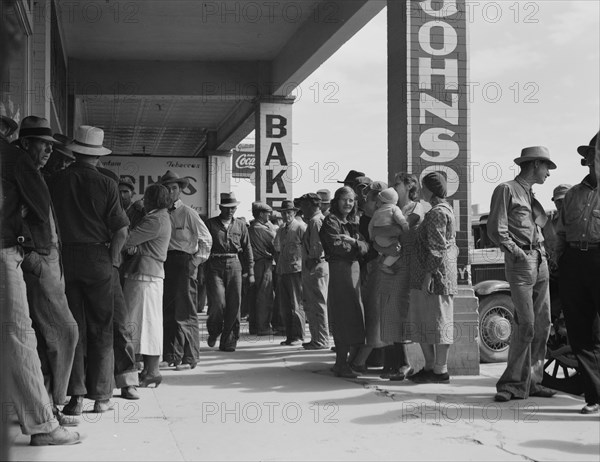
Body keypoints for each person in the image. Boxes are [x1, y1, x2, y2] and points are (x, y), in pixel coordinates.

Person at [0, 113, 82, 445]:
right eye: (44, 146)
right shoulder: (15, 160)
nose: (48, 153)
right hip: (11, 253)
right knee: (20, 336)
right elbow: (39, 208)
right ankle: (43, 424)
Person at [48, 125, 129, 415]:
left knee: (73, 328)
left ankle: (75, 397)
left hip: (65, 257)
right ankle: (102, 396)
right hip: (99, 258)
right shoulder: (107, 184)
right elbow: (121, 230)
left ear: (76, 151)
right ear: (97, 154)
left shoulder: (56, 180)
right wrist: (113, 259)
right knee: (102, 328)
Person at [487, 146, 557, 402]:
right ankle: (512, 384)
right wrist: (517, 252)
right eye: (546, 166)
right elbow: (496, 229)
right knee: (525, 324)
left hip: (540, 261)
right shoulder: (506, 189)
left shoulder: (530, 194)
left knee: (542, 325)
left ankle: (533, 381)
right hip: (522, 262)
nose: (549, 173)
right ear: (534, 164)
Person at [556, 132, 600, 414]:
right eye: (595, 156)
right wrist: (563, 262)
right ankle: (595, 398)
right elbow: (560, 233)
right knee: (581, 333)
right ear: (588, 160)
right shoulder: (572, 194)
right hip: (574, 261)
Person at [407, 171, 458, 384]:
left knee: (438, 321)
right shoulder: (444, 210)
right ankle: (432, 367)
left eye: (423, 187)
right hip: (436, 274)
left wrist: (428, 275)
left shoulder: (437, 212)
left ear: (429, 189)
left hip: (434, 276)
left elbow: (437, 247)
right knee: (429, 321)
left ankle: (439, 369)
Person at [160, 170, 212, 369]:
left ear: (180, 190)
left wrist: (195, 262)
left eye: (174, 188)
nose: (170, 192)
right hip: (165, 263)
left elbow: (206, 239)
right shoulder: (161, 213)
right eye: (166, 188)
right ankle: (172, 354)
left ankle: (190, 358)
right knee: (168, 310)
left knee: (186, 311)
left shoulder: (188, 213)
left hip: (184, 262)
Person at [122, 184, 172, 389]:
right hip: (148, 274)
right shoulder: (160, 217)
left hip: (144, 276)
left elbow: (127, 239)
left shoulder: (154, 219)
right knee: (147, 323)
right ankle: (149, 371)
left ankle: (150, 371)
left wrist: (133, 245)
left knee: (139, 323)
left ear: (151, 199)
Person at [319, 186, 369, 378]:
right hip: (340, 270)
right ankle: (341, 363)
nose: (348, 203)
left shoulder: (352, 221)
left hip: (353, 270)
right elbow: (338, 247)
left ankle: (347, 361)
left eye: (351, 200)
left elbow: (365, 246)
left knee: (355, 315)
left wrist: (354, 243)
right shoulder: (331, 221)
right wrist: (356, 246)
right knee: (344, 314)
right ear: (336, 201)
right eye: (344, 199)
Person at [380, 173, 423, 381]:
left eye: (397, 184)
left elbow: (400, 231)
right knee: (389, 312)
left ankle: (405, 362)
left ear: (409, 186)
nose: (393, 187)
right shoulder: (395, 209)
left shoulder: (416, 207)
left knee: (400, 311)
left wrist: (382, 232)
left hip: (405, 263)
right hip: (392, 260)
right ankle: (394, 362)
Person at [205, 192, 254, 352]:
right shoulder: (210, 224)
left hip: (235, 264)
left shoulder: (240, 225)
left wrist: (250, 271)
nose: (230, 211)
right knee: (218, 303)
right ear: (220, 207)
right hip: (214, 265)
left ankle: (229, 341)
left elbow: (247, 249)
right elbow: (203, 246)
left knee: (234, 305)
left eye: (233, 208)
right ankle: (214, 330)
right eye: (226, 208)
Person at [298, 193, 330, 350]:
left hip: (316, 266)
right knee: (314, 304)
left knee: (317, 304)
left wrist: (311, 263)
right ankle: (318, 338)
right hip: (316, 266)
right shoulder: (315, 220)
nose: (302, 209)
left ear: (311, 205)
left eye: (303, 205)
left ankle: (321, 339)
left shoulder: (315, 221)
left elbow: (317, 247)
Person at [274, 200, 307, 345]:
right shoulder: (281, 230)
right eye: (284, 213)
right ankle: (289, 336)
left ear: (294, 213)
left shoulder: (300, 227)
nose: (286, 215)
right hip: (283, 269)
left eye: (289, 212)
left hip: (296, 270)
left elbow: (307, 248)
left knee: (296, 304)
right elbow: (276, 248)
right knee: (285, 305)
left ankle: (298, 335)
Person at [247, 201, 277, 336]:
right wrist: (271, 226)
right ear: (261, 214)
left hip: (253, 264)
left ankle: (254, 326)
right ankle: (263, 327)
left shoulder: (252, 227)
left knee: (254, 297)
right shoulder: (261, 228)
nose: (269, 216)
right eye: (267, 213)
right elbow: (276, 242)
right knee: (265, 296)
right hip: (263, 264)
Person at [368, 187, 409, 274]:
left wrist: (371, 236)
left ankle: (380, 258)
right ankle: (385, 265)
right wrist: (405, 225)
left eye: (378, 200)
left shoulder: (377, 212)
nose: (376, 203)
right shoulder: (394, 208)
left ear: (383, 201)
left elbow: (370, 225)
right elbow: (400, 218)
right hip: (389, 239)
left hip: (378, 239)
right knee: (397, 251)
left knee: (383, 250)